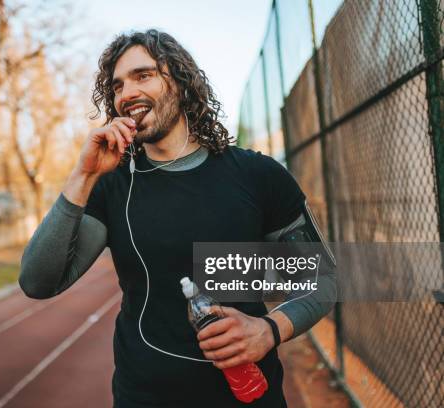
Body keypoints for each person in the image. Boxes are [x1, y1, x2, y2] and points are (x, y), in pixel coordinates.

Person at [19, 29, 336, 407]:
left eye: (143, 76)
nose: (126, 94)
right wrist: (83, 176)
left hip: (247, 395)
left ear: (182, 83)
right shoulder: (112, 186)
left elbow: (324, 280)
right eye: (117, 86)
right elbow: (38, 281)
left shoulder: (257, 175)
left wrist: (269, 330)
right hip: (145, 396)